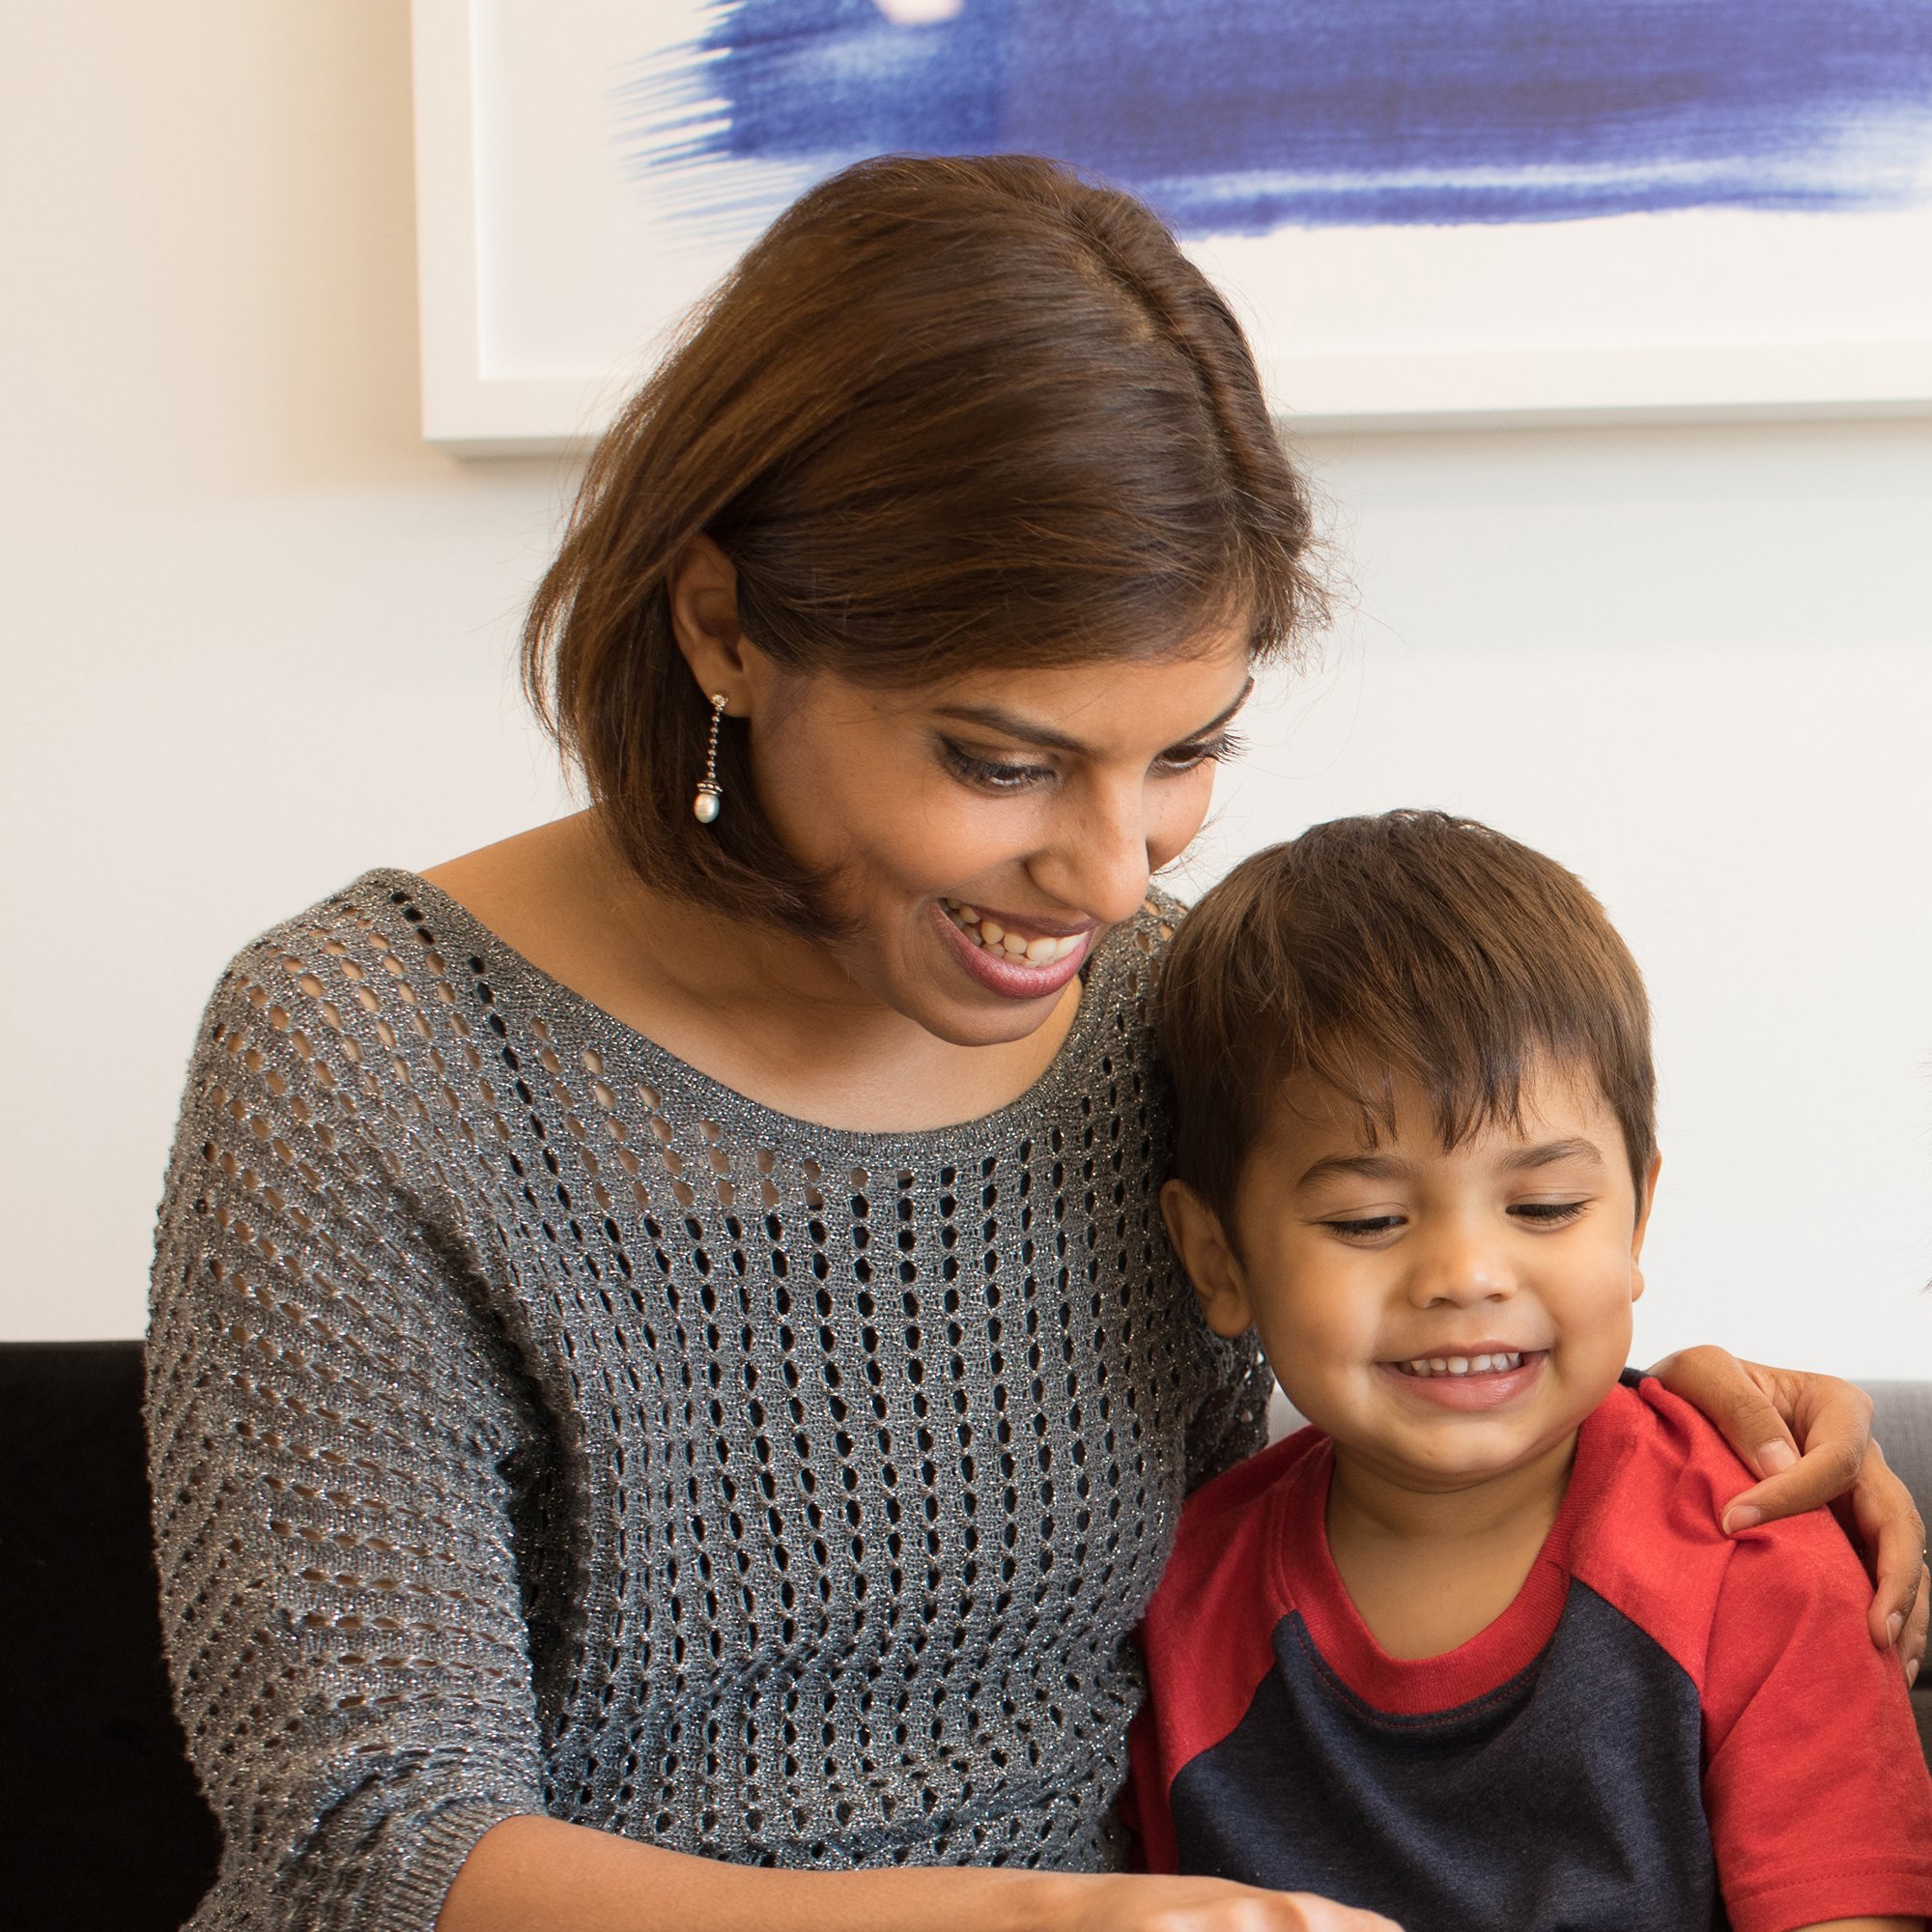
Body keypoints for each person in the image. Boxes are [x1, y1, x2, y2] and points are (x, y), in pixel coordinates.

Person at [145, 155, 1926, 1932]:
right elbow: (361, 1845)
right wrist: (1032, 1923)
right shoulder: (367, 1058)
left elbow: (1330, 1509)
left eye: (1181, 755)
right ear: (724, 628)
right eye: (1001, 764)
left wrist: (1667, 1444)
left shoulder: (1171, 1010)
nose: (1104, 875)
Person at [1135, 810, 1932, 1931]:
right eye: (1366, 1219)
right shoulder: (1171, 1594)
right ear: (1216, 1256)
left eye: (1544, 1207)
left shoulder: (1750, 1557)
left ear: (1636, 1215)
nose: (1464, 1272)